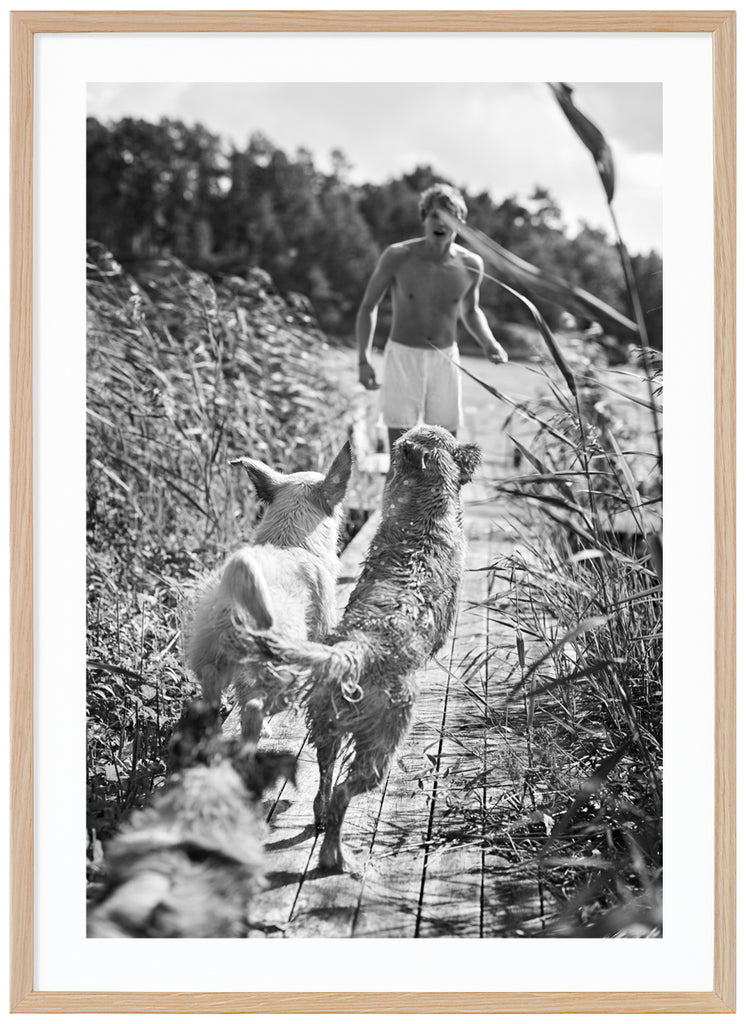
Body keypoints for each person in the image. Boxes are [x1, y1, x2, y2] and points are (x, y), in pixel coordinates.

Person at [356, 183, 508, 454]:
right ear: (424, 218)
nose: (440, 223)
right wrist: (363, 360)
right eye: (435, 215)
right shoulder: (398, 256)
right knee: (400, 456)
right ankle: (394, 498)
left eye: (449, 217)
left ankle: (441, 498)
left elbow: (470, 310)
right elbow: (368, 306)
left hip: (445, 360)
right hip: (402, 357)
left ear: (460, 223)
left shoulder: (471, 264)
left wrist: (489, 342)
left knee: (445, 454)